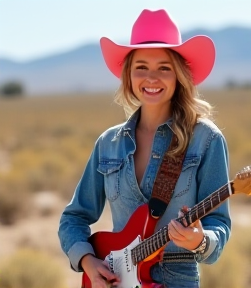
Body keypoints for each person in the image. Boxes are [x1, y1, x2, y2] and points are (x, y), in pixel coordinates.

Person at [58, 9, 231, 288]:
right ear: (128, 74)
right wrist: (89, 263)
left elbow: (219, 226)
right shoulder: (108, 144)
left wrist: (200, 240)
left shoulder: (205, 139)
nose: (152, 78)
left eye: (164, 67)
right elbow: (74, 217)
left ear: (179, 76)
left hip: (178, 278)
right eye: (141, 67)